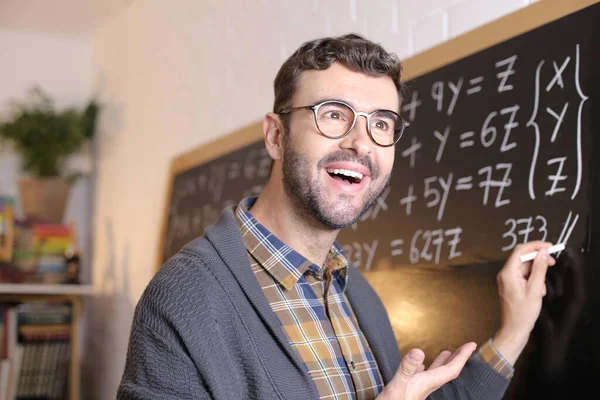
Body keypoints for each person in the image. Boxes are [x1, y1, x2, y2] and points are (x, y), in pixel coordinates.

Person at [117, 33, 555, 400]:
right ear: (276, 135)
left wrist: (514, 331)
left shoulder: (350, 288)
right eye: (333, 115)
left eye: (381, 124)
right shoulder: (183, 299)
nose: (362, 143)